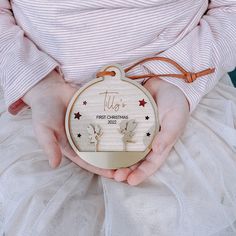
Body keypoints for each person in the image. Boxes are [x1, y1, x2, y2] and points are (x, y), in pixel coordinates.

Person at [0, 0, 236, 235]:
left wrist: (180, 76)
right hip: (36, 93)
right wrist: (36, 82)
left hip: (184, 85)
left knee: (173, 214)